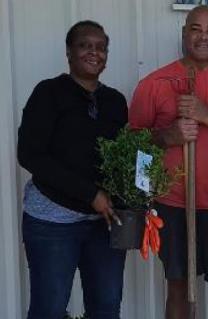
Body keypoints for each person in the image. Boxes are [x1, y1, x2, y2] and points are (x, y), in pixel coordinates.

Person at [129, 5, 208, 319]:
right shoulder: (155, 83)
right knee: (178, 285)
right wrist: (167, 136)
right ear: (184, 33)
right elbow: (133, 144)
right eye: (196, 29)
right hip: (173, 204)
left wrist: (206, 115)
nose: (203, 37)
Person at [17, 20, 128, 319]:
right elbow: (30, 155)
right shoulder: (48, 93)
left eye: (101, 47)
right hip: (51, 221)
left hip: (104, 223)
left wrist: (137, 196)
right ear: (69, 52)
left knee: (106, 307)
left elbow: (124, 156)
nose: (94, 52)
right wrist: (90, 193)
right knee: (49, 309)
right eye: (85, 45)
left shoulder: (115, 101)